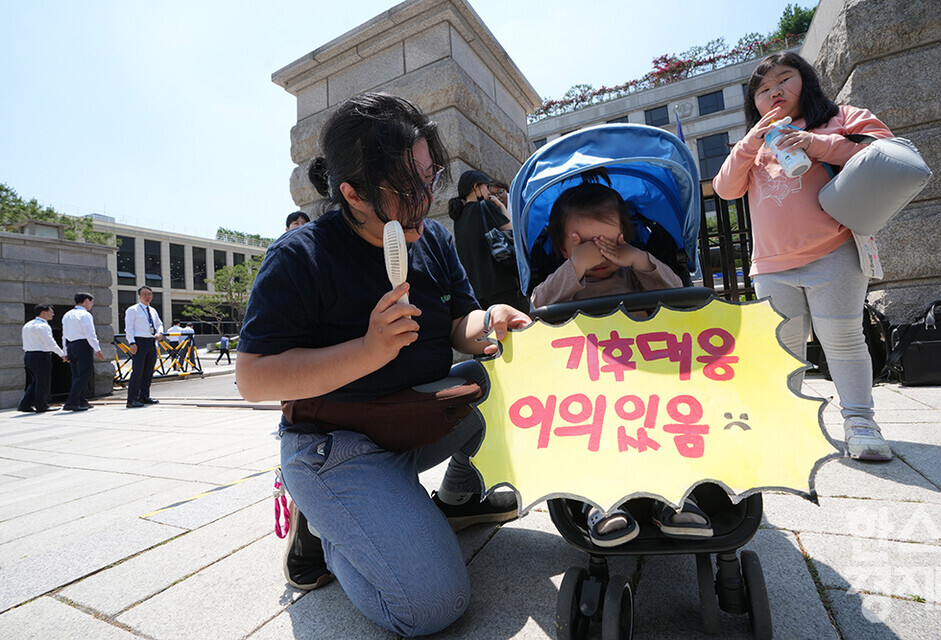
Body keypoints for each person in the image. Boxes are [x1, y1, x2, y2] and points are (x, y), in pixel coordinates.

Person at [236, 93, 530, 637]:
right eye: (405, 188)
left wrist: (490, 322)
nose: (425, 197)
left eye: (429, 176)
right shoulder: (301, 255)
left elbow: (459, 324)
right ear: (353, 194)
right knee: (433, 605)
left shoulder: (433, 239)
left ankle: (458, 498)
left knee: (488, 380)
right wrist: (367, 351)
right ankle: (327, 527)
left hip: (412, 419)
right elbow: (253, 377)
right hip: (336, 443)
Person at [713, 51, 895, 462]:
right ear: (753, 102)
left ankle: (861, 424)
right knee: (784, 348)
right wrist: (751, 141)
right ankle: (787, 425)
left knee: (842, 339)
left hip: (834, 252)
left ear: (805, 81)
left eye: (784, 79)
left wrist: (816, 143)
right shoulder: (755, 142)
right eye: (762, 89)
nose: (774, 91)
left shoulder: (840, 117)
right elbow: (726, 188)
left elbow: (884, 150)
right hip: (771, 265)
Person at [530, 177, 712, 545]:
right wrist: (574, 267)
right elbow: (538, 304)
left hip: (645, 381)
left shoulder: (636, 275)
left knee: (670, 426)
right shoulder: (564, 283)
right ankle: (602, 501)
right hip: (588, 390)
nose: (596, 254)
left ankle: (675, 495)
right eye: (582, 245)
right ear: (563, 248)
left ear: (623, 238)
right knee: (586, 438)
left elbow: (678, 293)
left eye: (606, 243)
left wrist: (639, 260)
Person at [447, 169, 528, 311]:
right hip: (500, 284)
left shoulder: (458, 217)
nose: (489, 191)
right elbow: (512, 230)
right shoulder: (485, 207)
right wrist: (501, 206)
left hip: (476, 290)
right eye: (486, 186)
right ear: (476, 187)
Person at [18, 304, 68, 413]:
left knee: (35, 381)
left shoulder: (27, 325)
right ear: (43, 313)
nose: (53, 314)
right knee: (43, 382)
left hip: (29, 355)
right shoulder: (43, 326)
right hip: (41, 356)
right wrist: (62, 354)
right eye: (51, 311)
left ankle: (24, 404)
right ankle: (42, 405)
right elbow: (50, 343)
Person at [61, 292, 104, 412]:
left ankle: (81, 400)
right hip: (83, 345)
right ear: (86, 301)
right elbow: (90, 334)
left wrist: (65, 351)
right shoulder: (85, 315)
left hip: (71, 345)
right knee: (84, 375)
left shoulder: (67, 315)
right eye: (91, 302)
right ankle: (72, 402)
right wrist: (97, 349)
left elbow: (64, 335)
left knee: (76, 375)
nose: (92, 304)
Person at [124, 286, 164, 408]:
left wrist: (160, 333)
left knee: (148, 371)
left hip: (151, 342)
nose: (147, 297)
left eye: (149, 294)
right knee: (138, 371)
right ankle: (132, 399)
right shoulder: (133, 310)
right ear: (139, 296)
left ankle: (144, 396)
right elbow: (129, 328)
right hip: (139, 342)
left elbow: (159, 324)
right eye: (144, 294)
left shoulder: (153, 310)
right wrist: (132, 343)